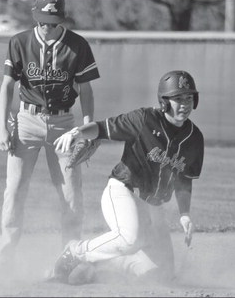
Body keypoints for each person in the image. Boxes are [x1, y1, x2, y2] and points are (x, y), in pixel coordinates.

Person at [52, 70, 204, 285]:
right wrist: (77, 132)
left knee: (163, 275)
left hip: (153, 207)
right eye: (178, 98)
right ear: (164, 102)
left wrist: (185, 214)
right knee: (129, 238)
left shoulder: (194, 138)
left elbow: (184, 179)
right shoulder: (144, 119)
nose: (184, 104)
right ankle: (75, 251)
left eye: (189, 98)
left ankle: (101, 266)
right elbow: (103, 128)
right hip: (123, 190)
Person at [0, 0, 100, 274]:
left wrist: (88, 129)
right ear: (34, 17)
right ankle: (4, 259)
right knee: (15, 191)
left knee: (71, 195)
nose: (46, 28)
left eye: (52, 23)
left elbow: (86, 91)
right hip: (26, 121)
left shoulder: (77, 45)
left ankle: (70, 258)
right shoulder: (19, 42)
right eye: (42, 21)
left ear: (61, 21)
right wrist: (1, 126)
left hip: (64, 124)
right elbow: (7, 85)